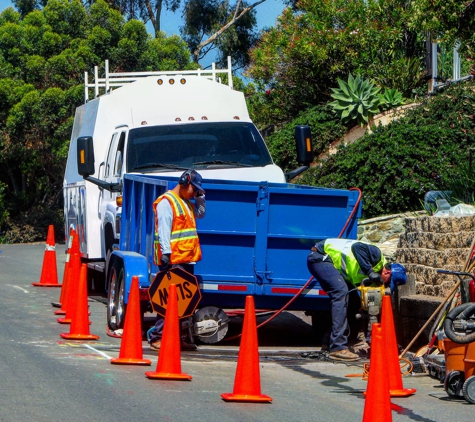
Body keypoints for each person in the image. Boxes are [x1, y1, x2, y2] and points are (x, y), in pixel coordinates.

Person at [307, 238, 406, 361]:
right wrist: (369, 271)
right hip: (321, 256)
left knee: (354, 303)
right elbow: (357, 248)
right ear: (387, 273)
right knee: (341, 293)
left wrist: (373, 338)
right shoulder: (376, 256)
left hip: (332, 264)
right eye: (388, 283)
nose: (385, 286)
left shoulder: (374, 278)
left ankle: (328, 343)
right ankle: (338, 347)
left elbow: (370, 308)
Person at [148, 169, 206, 351]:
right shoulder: (167, 202)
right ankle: (158, 336)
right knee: (167, 302)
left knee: (184, 303)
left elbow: (201, 213)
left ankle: (178, 337)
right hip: (173, 260)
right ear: (184, 182)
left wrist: (200, 198)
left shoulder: (187, 203)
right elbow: (164, 229)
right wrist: (166, 253)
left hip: (186, 260)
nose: (195, 192)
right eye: (194, 189)